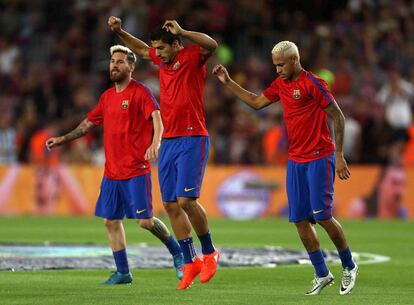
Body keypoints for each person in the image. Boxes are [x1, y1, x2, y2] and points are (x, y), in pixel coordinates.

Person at [213, 41, 358, 296]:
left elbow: (338, 115)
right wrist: (228, 83)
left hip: (319, 157)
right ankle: (322, 273)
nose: (277, 69)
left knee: (323, 216)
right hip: (295, 161)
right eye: (275, 65)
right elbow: (257, 102)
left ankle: (349, 265)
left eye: (281, 65)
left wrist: (339, 154)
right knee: (300, 221)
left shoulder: (313, 84)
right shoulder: (281, 85)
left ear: (294, 61)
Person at [45, 45, 184, 285]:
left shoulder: (140, 92)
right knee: (110, 221)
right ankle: (123, 272)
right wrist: (63, 139)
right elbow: (88, 124)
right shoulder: (107, 97)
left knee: (145, 221)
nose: (114, 65)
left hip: (135, 170)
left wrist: (156, 141)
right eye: (112, 61)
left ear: (131, 66)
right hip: (112, 173)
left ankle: (178, 253)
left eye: (120, 61)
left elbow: (156, 116)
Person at [108, 16, 220, 290]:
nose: (155, 53)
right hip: (170, 139)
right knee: (169, 204)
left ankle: (209, 251)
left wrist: (182, 30)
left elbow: (212, 44)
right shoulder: (161, 59)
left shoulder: (192, 56)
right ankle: (190, 260)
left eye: (161, 48)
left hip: (193, 136)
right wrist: (121, 31)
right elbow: (142, 50)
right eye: (156, 48)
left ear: (176, 45)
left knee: (186, 200)